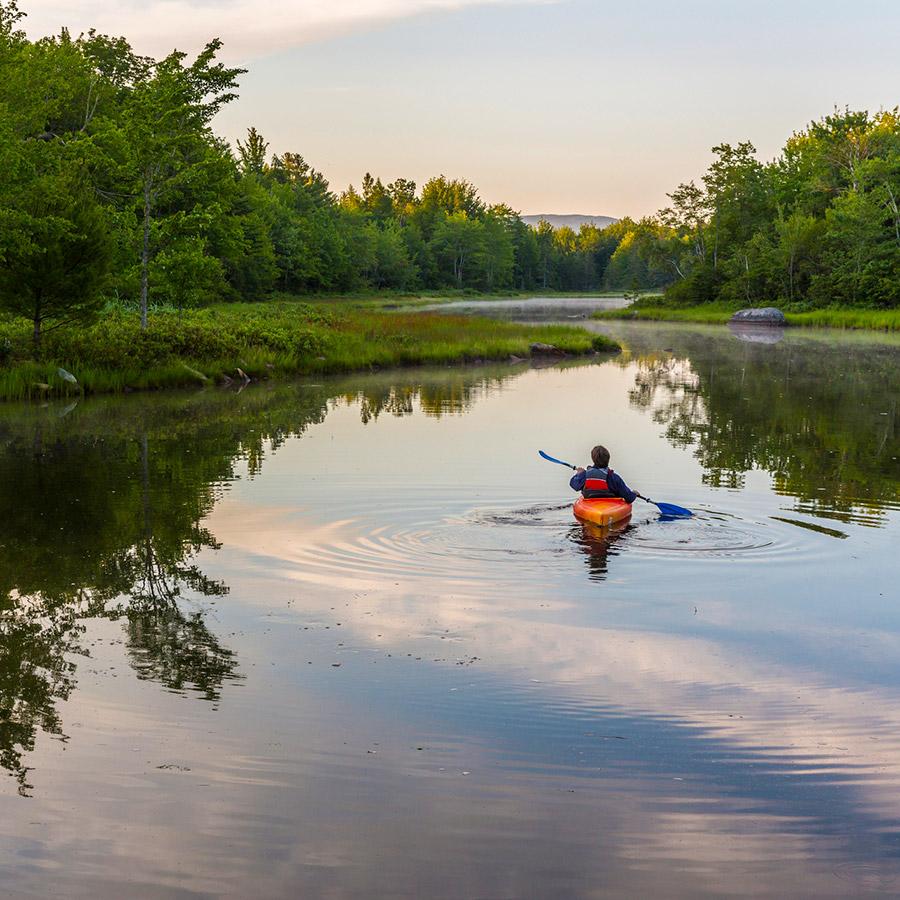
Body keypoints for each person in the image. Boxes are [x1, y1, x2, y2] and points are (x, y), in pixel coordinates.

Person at [569, 444, 638, 503]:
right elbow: (629, 498)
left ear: (593, 459)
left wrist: (579, 474)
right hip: (610, 507)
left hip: (591, 505)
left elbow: (573, 485)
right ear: (608, 459)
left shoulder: (585, 475)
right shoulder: (614, 478)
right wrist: (634, 493)